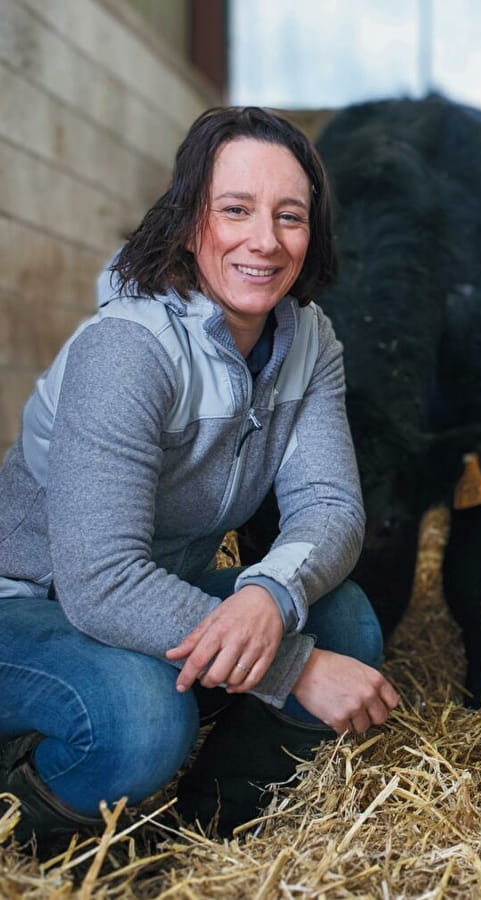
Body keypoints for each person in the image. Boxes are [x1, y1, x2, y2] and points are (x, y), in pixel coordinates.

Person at [0, 106, 401, 848]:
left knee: (345, 618)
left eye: (291, 216)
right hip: (27, 608)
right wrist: (291, 665)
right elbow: (99, 581)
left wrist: (270, 594)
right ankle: (39, 829)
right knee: (141, 712)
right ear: (190, 221)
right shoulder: (128, 348)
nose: (265, 241)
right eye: (236, 210)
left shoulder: (308, 340)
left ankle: (208, 835)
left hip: (137, 605)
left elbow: (329, 507)